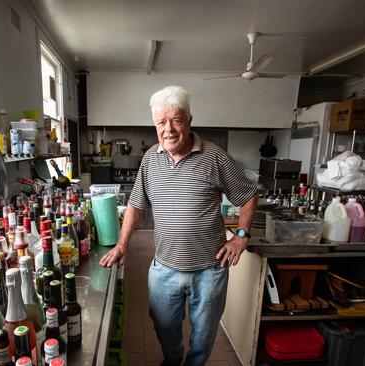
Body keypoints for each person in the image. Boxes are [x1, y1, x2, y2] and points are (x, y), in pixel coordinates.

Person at [99, 85, 258, 366]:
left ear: (189, 121)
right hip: (164, 269)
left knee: (204, 336)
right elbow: (136, 204)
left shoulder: (215, 157)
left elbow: (248, 195)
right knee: (164, 328)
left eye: (176, 120)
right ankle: (172, 361)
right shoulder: (150, 159)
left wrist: (241, 235)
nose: (169, 129)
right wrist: (122, 244)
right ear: (155, 125)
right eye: (162, 122)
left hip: (209, 270)